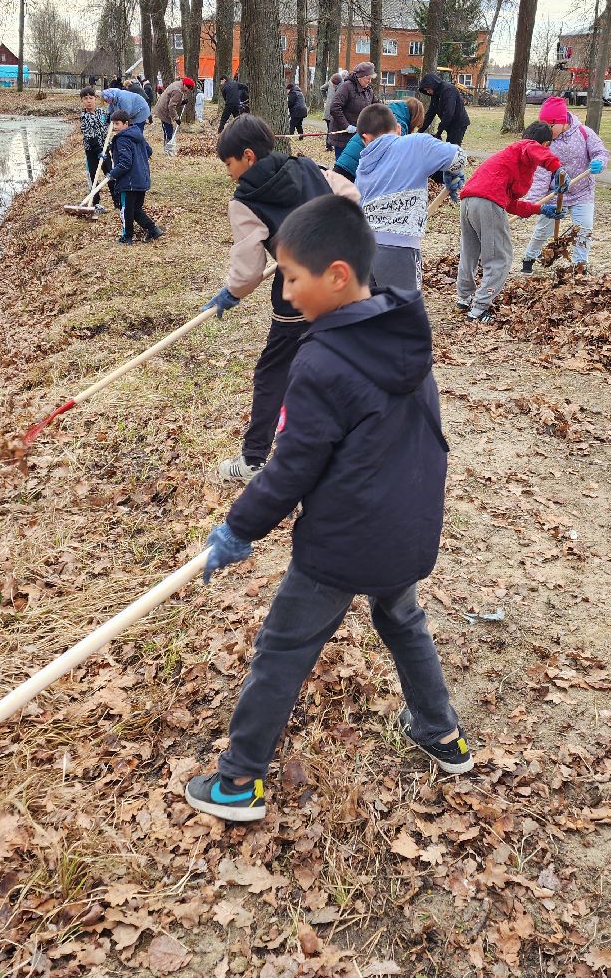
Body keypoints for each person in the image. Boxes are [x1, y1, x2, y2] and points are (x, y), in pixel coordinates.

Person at [184, 194, 468, 823]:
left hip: (344, 542)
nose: (284, 294)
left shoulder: (321, 360)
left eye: (290, 278)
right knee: (402, 620)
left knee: (283, 647)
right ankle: (441, 734)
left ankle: (237, 782)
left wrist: (238, 528)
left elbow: (292, 467)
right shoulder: (402, 329)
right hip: (409, 526)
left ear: (337, 275)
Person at [202, 114, 360, 482]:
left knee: (273, 374)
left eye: (228, 164)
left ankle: (254, 457)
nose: (228, 173)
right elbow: (351, 196)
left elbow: (247, 269)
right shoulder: (307, 167)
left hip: (300, 299)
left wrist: (231, 293)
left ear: (247, 157)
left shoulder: (245, 200)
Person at [353, 101, 466, 291]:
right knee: (403, 315)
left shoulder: (362, 165)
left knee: (373, 314)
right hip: (400, 250)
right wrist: (452, 171)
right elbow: (458, 156)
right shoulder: (416, 143)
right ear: (398, 129)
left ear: (365, 138)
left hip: (362, 249)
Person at [457, 123, 562, 322]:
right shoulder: (524, 147)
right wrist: (557, 169)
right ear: (545, 144)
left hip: (469, 202)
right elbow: (533, 148)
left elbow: (509, 203)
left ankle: (463, 298)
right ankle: (479, 309)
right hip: (487, 203)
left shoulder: (511, 157)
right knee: (499, 258)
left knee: (470, 253)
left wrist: (539, 209)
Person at [519, 96, 607, 273]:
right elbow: (541, 174)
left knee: (584, 228)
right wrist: (532, 204)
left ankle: (579, 265)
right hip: (555, 193)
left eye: (550, 126)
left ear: (561, 121)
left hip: (582, 191)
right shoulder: (545, 140)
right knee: (543, 230)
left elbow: (600, 151)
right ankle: (529, 258)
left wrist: (600, 161)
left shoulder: (584, 133)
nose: (547, 130)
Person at [106, 109, 164, 245]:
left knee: (126, 210)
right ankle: (153, 230)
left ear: (126, 123)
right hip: (141, 179)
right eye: (113, 124)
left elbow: (125, 163)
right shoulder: (137, 134)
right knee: (136, 209)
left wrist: (112, 174)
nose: (114, 127)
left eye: (117, 124)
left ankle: (127, 237)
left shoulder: (122, 139)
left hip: (129, 182)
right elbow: (149, 151)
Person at [333, 97, 424, 181]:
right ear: (415, 118)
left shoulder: (387, 112)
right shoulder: (399, 125)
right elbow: (396, 156)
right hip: (355, 168)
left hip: (346, 159)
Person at [328, 62, 378, 155]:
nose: (370, 81)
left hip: (358, 136)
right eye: (368, 79)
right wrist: (346, 126)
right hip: (343, 138)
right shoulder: (346, 87)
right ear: (360, 77)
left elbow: (376, 106)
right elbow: (335, 107)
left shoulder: (368, 90)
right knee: (343, 166)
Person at [77, 86, 109, 213]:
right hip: (92, 152)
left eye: (91, 98)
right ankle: (95, 203)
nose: (89, 101)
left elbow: (111, 122)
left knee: (110, 173)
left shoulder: (102, 113)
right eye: (86, 99)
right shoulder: (84, 117)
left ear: (95, 99)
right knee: (93, 176)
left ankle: (118, 200)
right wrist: (98, 151)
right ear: (82, 101)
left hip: (105, 149)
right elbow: (90, 137)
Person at [418, 72, 471, 146]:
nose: (428, 92)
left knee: (453, 147)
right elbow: (430, 113)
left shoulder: (448, 90)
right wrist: (420, 131)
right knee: (449, 145)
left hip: (458, 123)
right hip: (449, 124)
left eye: (428, 89)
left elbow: (449, 112)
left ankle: (456, 156)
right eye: (426, 90)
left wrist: (439, 131)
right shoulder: (435, 94)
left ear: (433, 84)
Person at [155, 76, 194, 154]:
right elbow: (171, 106)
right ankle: (168, 150)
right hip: (163, 110)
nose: (188, 91)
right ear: (185, 85)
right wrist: (176, 118)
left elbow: (172, 99)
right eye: (188, 89)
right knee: (168, 130)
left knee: (168, 129)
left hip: (163, 107)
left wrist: (181, 102)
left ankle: (167, 148)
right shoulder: (178, 91)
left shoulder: (177, 84)